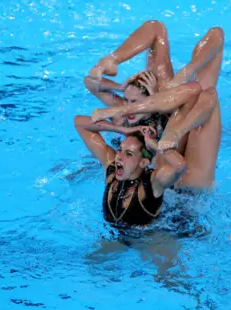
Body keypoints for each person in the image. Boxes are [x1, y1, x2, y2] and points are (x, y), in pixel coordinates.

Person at [87, 20, 224, 190]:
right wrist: (119, 88)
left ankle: (112, 60)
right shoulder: (128, 122)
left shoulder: (151, 105)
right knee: (204, 96)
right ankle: (184, 80)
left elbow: (216, 35)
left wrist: (158, 96)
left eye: (137, 102)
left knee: (212, 36)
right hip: (174, 162)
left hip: (176, 124)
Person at [73, 115, 187, 227]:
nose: (118, 157)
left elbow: (180, 166)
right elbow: (79, 123)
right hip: (113, 236)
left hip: (147, 240)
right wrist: (122, 130)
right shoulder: (111, 169)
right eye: (120, 149)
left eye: (128, 154)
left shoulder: (154, 183)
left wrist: (154, 145)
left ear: (143, 162)